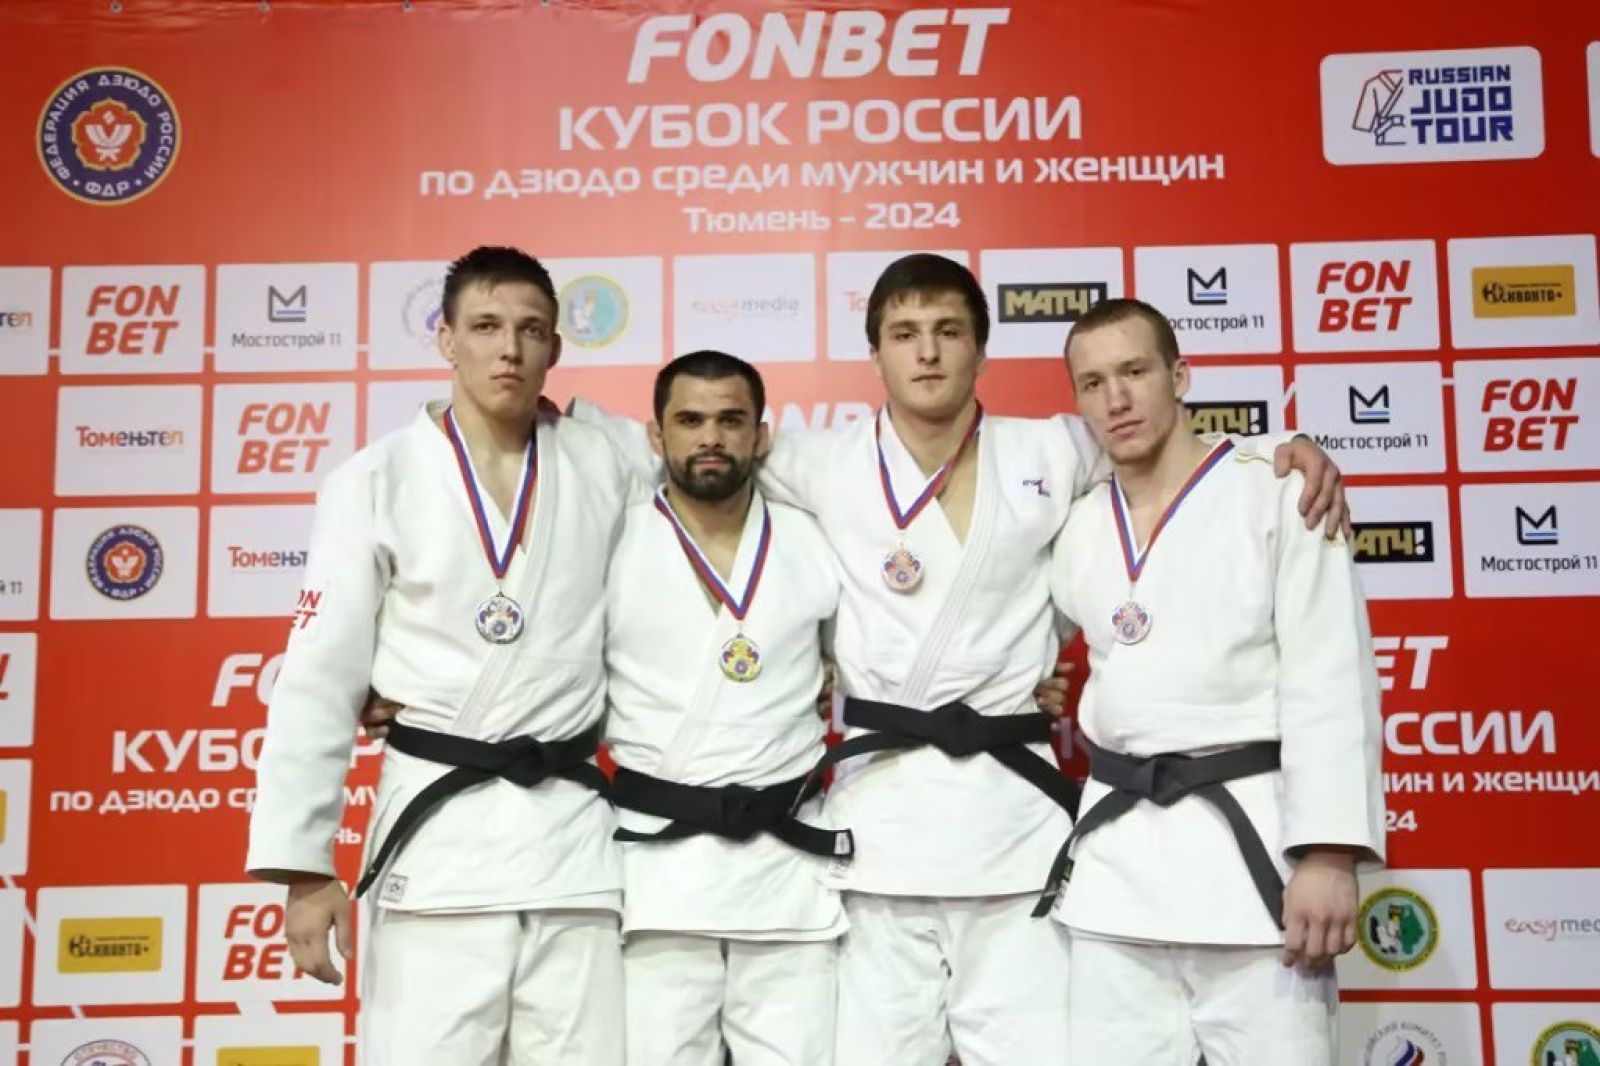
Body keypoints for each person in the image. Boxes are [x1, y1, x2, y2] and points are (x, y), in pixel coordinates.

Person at [574, 253, 1349, 1065]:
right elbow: (683, 449)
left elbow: (1170, 451)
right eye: (904, 333)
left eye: (948, 331)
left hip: (1013, 821)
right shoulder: (818, 460)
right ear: (875, 354)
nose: (927, 352)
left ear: (981, 350)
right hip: (879, 828)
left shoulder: (1053, 450)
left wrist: (1282, 450)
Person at [245, 246, 629, 1066]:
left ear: (556, 347)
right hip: (438, 843)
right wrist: (304, 870)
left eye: (530, 330)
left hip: (573, 851)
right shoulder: (375, 478)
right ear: (446, 339)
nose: (508, 349)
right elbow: (318, 679)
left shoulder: (609, 462)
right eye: (485, 327)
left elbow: (721, 511)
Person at [1042, 297, 1384, 1064]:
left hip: (1253, 870)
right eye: (1093, 383)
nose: (1116, 399)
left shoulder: (1280, 492)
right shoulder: (1077, 524)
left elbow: (1332, 677)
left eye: (1135, 372)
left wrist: (1330, 854)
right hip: (1116, 879)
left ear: (1181, 375)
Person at [606, 349, 850, 1066]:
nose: (710, 437)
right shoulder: (612, 538)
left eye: (730, 420)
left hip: (785, 871)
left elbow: (878, 657)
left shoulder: (813, 539)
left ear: (761, 435)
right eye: (689, 420)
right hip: (657, 873)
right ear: (656, 436)